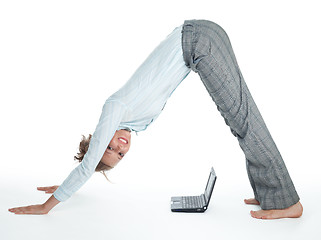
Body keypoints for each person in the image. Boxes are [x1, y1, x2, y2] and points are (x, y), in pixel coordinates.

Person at [8, 19, 303, 219]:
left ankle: (287, 203)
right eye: (120, 155)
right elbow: (89, 164)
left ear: (97, 139)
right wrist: (63, 183)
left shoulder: (115, 108)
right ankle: (271, 194)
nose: (120, 147)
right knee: (240, 121)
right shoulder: (136, 120)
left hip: (199, 42)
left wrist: (49, 205)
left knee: (245, 121)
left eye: (108, 147)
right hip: (199, 41)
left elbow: (86, 167)